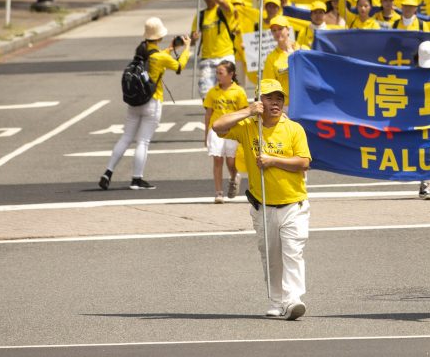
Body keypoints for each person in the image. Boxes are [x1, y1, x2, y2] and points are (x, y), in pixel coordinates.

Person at [214, 78, 312, 321]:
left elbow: (304, 162)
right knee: (271, 256)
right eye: (269, 98)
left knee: (293, 251)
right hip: (263, 205)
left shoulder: (294, 129)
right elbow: (218, 126)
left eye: (279, 98)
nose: (276, 102)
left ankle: (293, 300)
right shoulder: (249, 126)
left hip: (293, 204)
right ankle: (278, 301)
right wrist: (247, 111)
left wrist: (272, 160)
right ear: (260, 101)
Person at [99, 17, 191, 191]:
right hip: (152, 102)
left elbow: (156, 56)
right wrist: (186, 48)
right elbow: (179, 66)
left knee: (126, 137)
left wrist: (171, 48)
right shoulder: (159, 57)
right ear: (159, 36)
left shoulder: (140, 51)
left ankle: (108, 172)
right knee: (143, 141)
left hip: (135, 102)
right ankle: (136, 179)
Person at [202, 59, 248, 203]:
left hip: (233, 130)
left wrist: (243, 133)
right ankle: (218, 192)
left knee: (230, 162)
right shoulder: (212, 92)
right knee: (217, 159)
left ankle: (234, 177)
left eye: (220, 73)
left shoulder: (239, 91)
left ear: (231, 74)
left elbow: (243, 113)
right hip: (216, 130)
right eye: (217, 73)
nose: (218, 76)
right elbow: (208, 114)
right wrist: (206, 134)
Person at [415, 40, 430, 200]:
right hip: (416, 117)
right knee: (423, 149)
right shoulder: (409, 74)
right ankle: (425, 183)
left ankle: (427, 184)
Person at [263, 16, 299, 102]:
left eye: (280, 29)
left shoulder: (302, 49)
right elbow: (269, 85)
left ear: (288, 30)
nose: (277, 32)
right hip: (285, 105)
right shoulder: (271, 58)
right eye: (274, 30)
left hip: (303, 101)